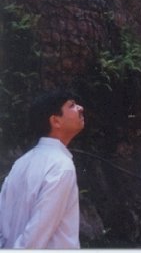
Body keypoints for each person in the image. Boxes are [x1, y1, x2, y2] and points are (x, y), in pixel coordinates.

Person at [0, 89, 85, 248]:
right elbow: (36, 235)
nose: (80, 108)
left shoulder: (20, 163)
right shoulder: (61, 166)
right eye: (72, 106)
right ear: (56, 121)